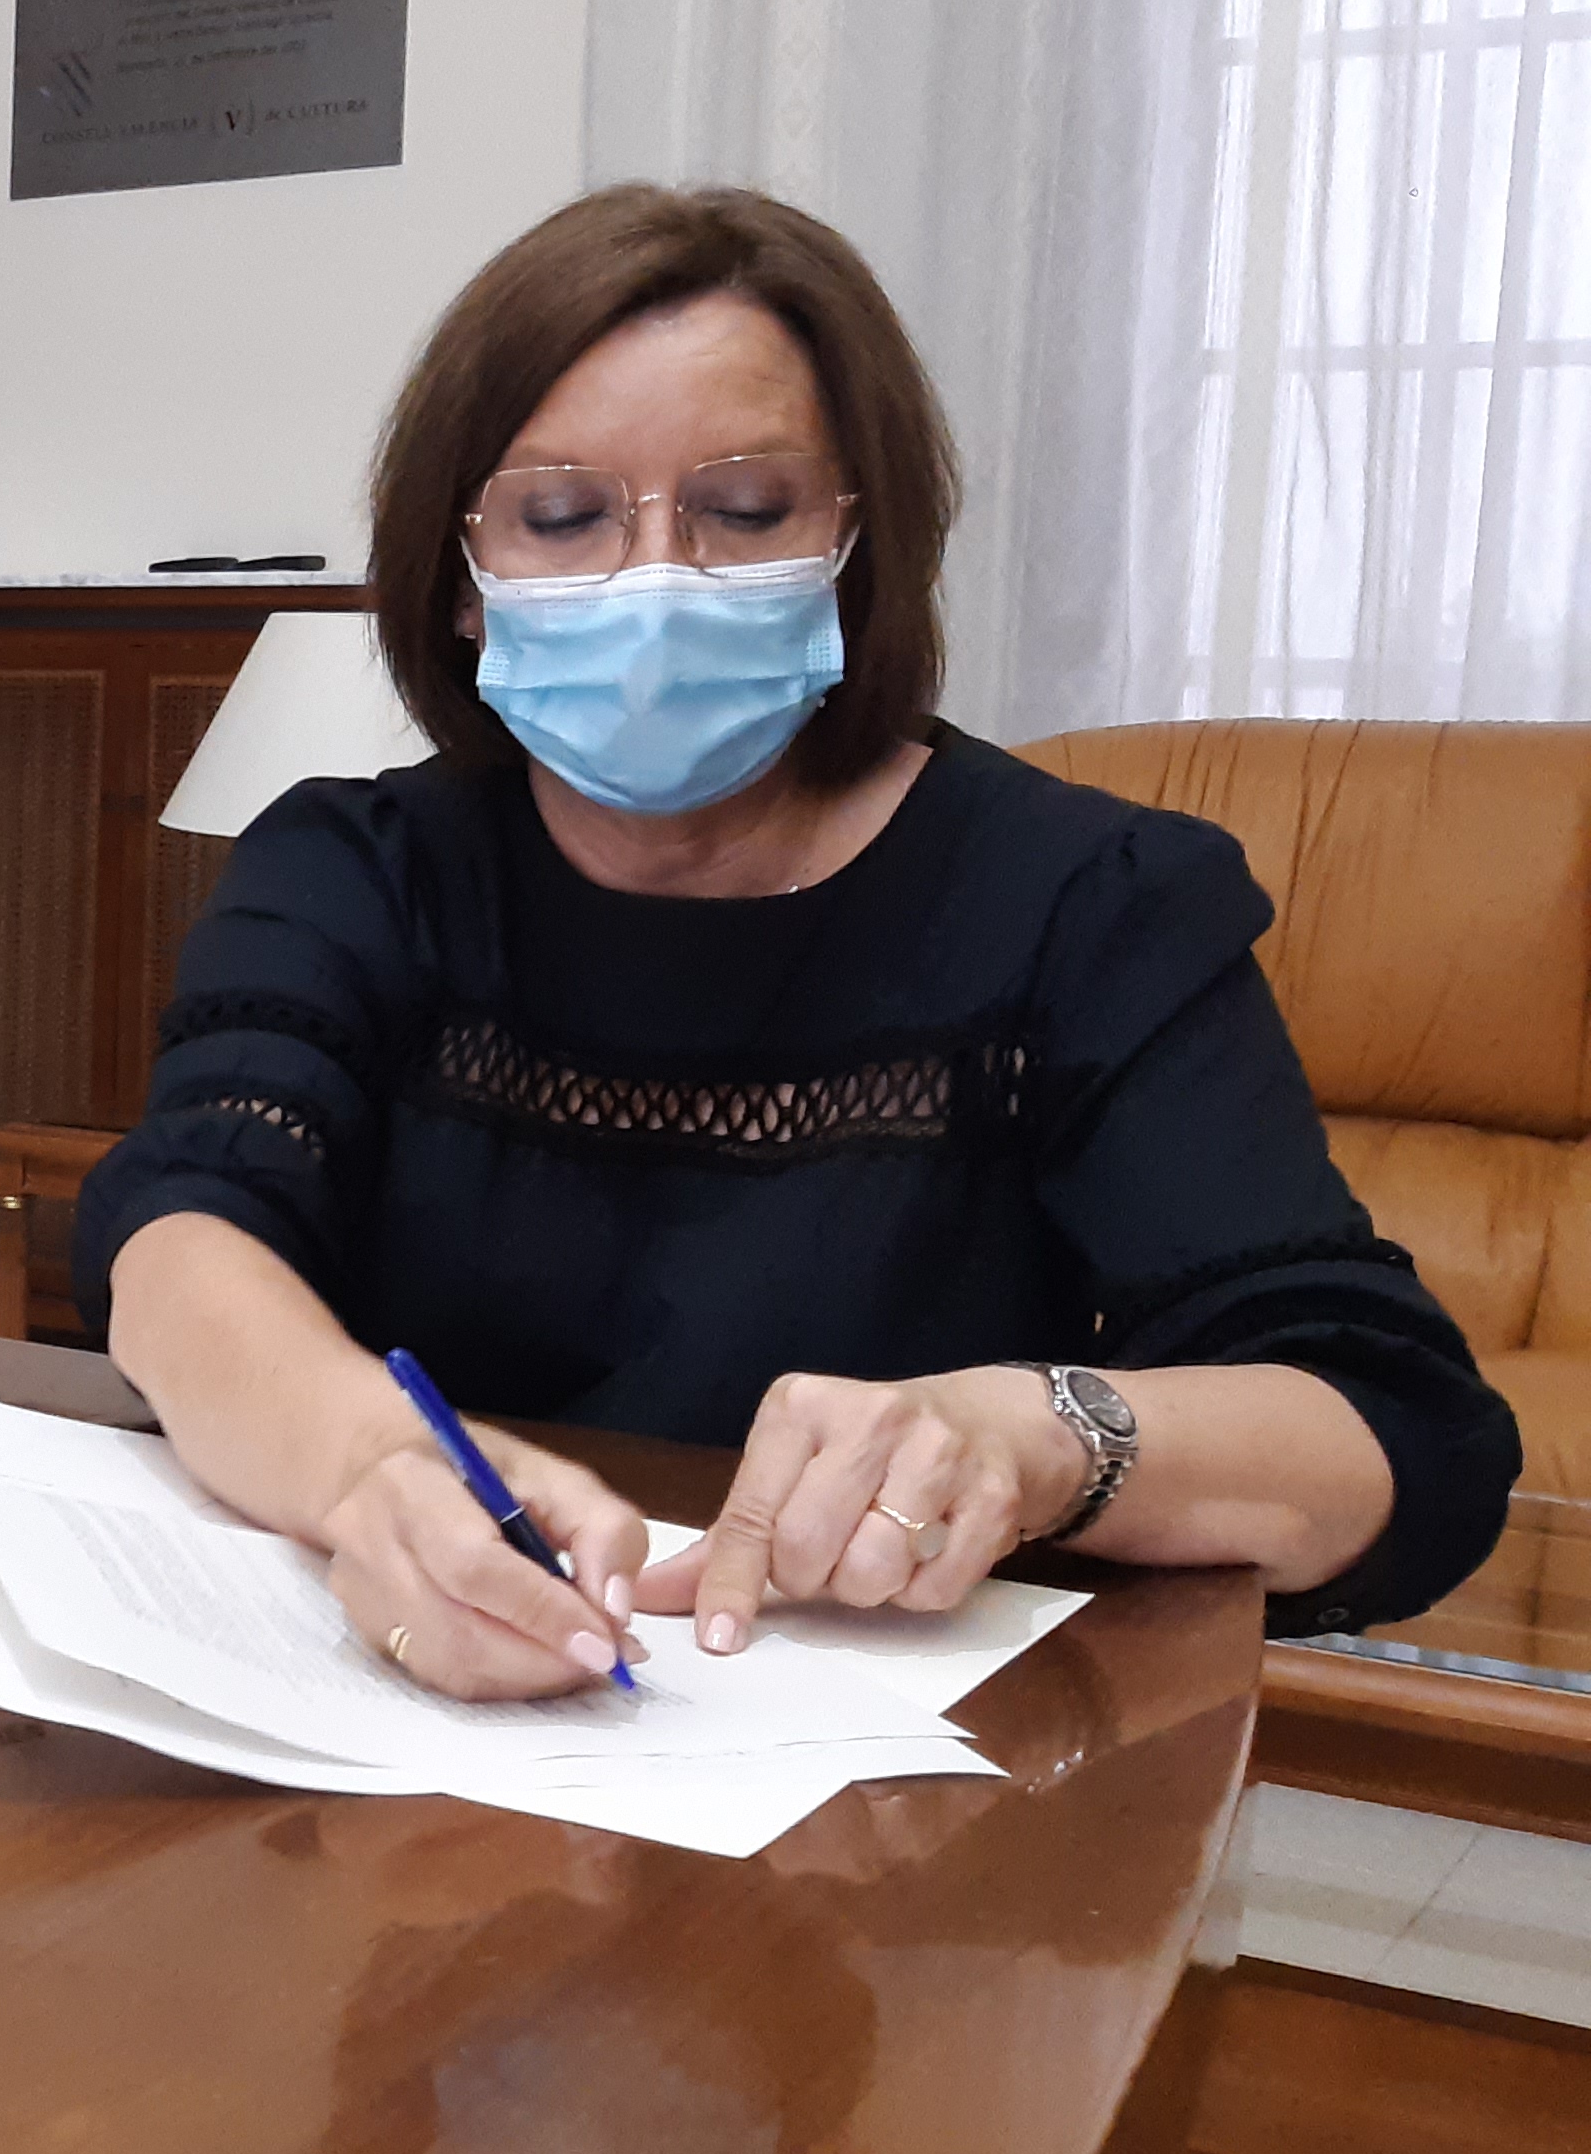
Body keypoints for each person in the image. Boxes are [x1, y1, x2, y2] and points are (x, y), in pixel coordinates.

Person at [77, 184, 1519, 1696]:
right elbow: (183, 1237)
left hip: (892, 1768)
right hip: (415, 1716)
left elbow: (1389, 1435)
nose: (654, 579)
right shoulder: (353, 868)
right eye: (562, 518)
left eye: (747, 510)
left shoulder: (1094, 900)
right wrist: (370, 1471)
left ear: (854, 542)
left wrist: (1032, 1438)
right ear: (459, 577)